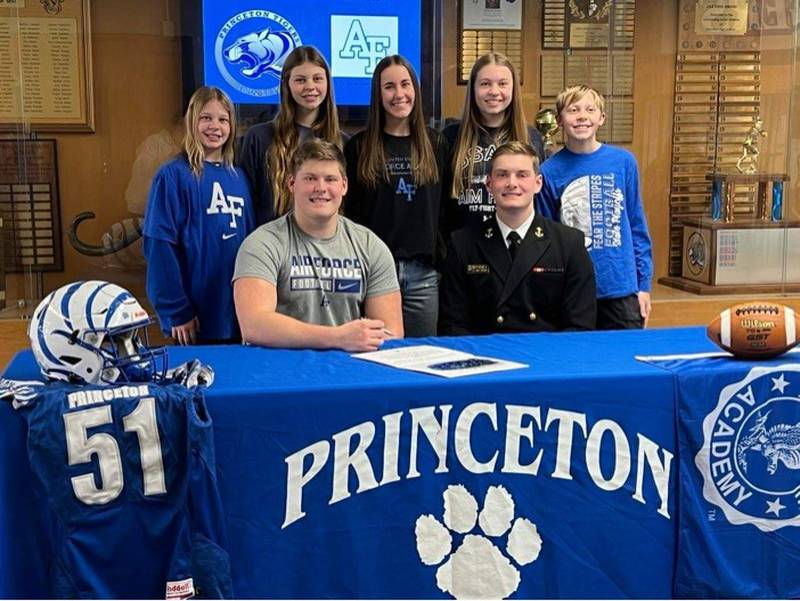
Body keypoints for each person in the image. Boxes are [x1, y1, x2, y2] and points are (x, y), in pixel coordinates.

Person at [0, 280, 231, 599]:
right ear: (70, 350)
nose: (134, 353)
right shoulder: (179, 399)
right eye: (118, 342)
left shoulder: (36, 406)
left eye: (132, 339)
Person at [233, 139, 403, 351]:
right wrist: (338, 338)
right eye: (310, 178)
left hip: (349, 371)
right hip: (280, 372)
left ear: (344, 186)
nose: (321, 188)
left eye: (330, 179)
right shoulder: (261, 244)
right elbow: (255, 325)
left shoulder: (371, 247)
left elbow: (391, 332)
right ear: (292, 184)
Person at [439, 141, 596, 335]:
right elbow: (453, 325)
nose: (512, 183)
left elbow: (580, 325)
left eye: (522, 175)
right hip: (485, 357)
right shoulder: (463, 244)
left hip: (547, 357)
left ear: (538, 183)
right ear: (489, 184)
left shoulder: (569, 244)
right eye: (502, 175)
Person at [344, 55, 448, 338]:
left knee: (423, 357)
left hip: (423, 276)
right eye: (389, 87)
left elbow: (445, 211)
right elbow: (350, 215)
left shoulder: (437, 143)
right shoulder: (358, 147)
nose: (399, 94)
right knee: (376, 357)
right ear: (378, 94)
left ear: (415, 89)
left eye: (405, 84)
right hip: (374, 273)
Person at [144, 85, 254, 345]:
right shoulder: (172, 176)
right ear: (192, 121)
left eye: (223, 119)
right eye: (206, 118)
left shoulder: (239, 177)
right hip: (194, 318)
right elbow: (159, 246)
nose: (214, 126)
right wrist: (176, 310)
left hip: (238, 312)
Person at [536, 85, 653, 329]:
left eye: (590, 109)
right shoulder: (548, 172)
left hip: (620, 288)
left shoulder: (623, 162)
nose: (582, 116)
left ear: (601, 118)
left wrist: (644, 286)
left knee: (624, 360)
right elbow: (547, 239)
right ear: (559, 120)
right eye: (573, 110)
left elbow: (636, 225)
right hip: (572, 290)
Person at [239, 45, 348, 225]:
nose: (310, 86)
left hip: (327, 249)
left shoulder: (344, 143)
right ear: (286, 85)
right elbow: (245, 208)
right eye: (300, 80)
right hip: (271, 247)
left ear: (328, 83)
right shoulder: (259, 138)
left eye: (317, 79)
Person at [442, 52, 545, 235]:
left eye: (503, 84)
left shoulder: (531, 138)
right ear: (473, 88)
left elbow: (538, 202)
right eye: (485, 84)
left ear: (513, 89)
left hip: (514, 248)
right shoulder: (450, 137)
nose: (494, 91)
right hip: (461, 249)